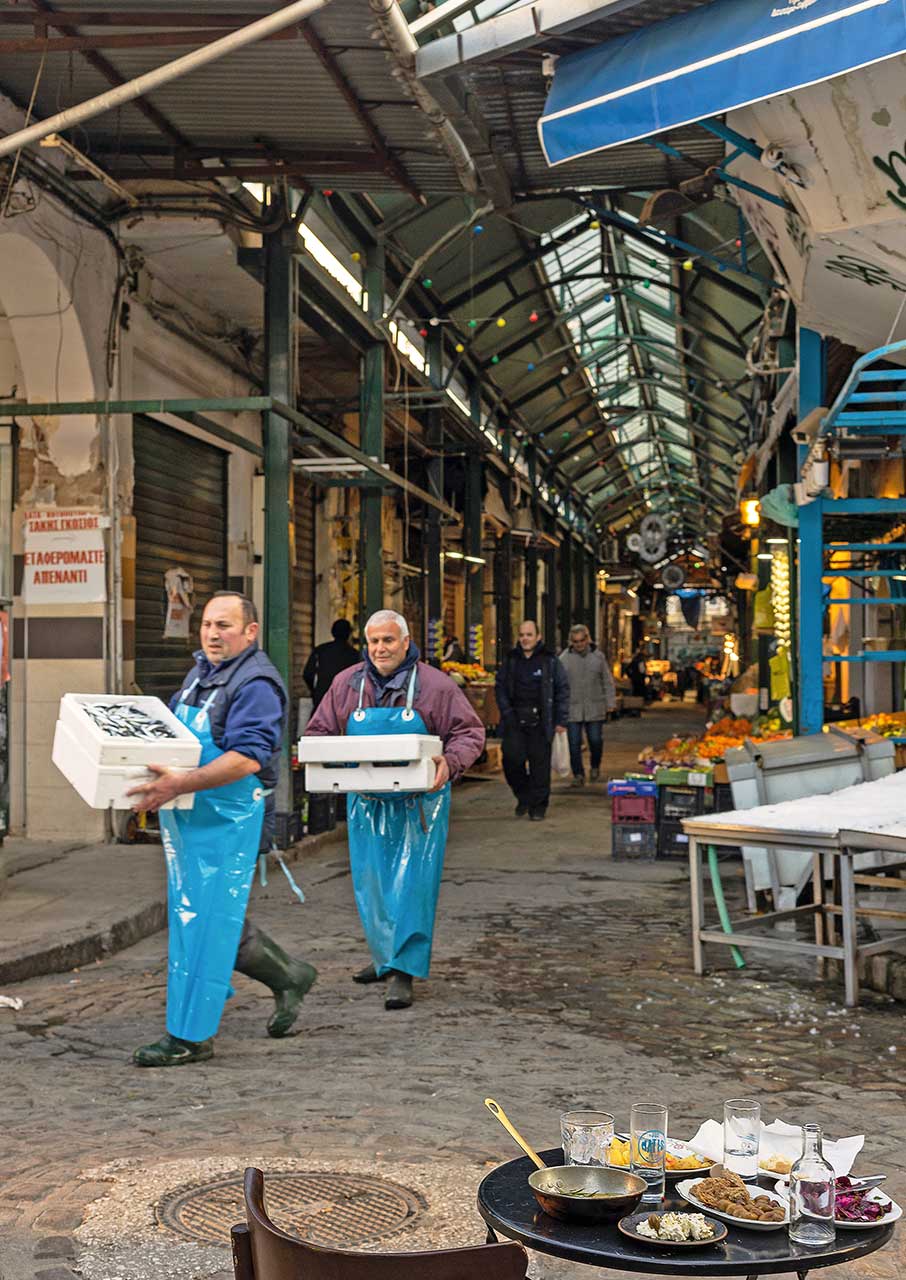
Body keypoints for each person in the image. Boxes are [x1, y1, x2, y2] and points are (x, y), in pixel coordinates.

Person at [127, 591, 316, 1067]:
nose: (212, 633)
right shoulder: (199, 676)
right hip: (192, 815)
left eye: (224, 626)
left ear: (250, 632)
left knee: (206, 921)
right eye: (208, 624)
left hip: (227, 820)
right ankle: (289, 975)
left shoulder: (255, 684)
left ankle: (191, 1037)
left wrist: (179, 784)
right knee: (202, 918)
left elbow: (249, 757)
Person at [304, 609, 484, 1010]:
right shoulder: (346, 684)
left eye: (388, 640)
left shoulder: (436, 685)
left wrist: (450, 763)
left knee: (412, 887)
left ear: (405, 642)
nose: (381, 649)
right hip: (365, 803)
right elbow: (318, 732)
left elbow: (470, 732)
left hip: (418, 806)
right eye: (374, 642)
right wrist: (327, 762)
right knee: (372, 884)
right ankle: (384, 957)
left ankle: (404, 969)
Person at [495, 619, 569, 821]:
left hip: (541, 721)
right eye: (522, 635)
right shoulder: (511, 660)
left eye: (529, 635)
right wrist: (507, 712)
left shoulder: (550, 660)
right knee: (511, 761)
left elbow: (562, 690)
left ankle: (538, 806)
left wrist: (561, 720)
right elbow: (500, 687)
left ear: (538, 637)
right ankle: (524, 796)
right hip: (514, 720)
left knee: (540, 767)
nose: (525, 639)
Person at [559, 623, 616, 786]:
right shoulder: (563, 659)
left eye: (582, 640)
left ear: (587, 639)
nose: (579, 644)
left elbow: (607, 681)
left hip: (594, 707)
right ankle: (578, 774)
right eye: (575, 641)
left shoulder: (598, 657)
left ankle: (595, 766)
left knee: (595, 740)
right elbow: (558, 685)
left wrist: (610, 702)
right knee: (574, 743)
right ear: (571, 642)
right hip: (573, 708)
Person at [302, 618, 360, 709]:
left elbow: (308, 674)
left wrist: (315, 691)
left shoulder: (320, 650)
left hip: (322, 697)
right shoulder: (355, 654)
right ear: (349, 634)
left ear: (332, 632)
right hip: (345, 699)